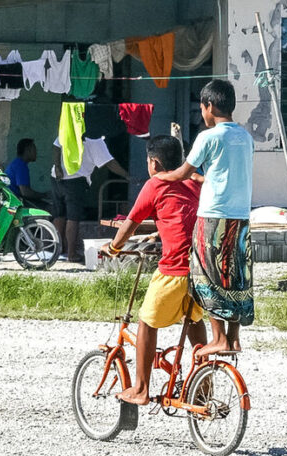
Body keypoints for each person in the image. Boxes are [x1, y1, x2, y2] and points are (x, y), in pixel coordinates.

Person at [103, 135, 207, 406]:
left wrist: (113, 248)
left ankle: (141, 388)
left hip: (174, 269)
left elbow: (130, 223)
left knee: (147, 322)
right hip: (202, 269)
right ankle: (204, 383)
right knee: (193, 320)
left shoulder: (156, 183)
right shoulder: (194, 182)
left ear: (153, 162)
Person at [155, 79, 255, 357]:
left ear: (209, 106)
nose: (202, 113)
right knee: (235, 275)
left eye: (202, 108)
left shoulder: (208, 137)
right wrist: (203, 177)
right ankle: (234, 339)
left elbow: (181, 173)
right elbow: (222, 173)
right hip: (240, 217)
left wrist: (161, 176)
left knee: (206, 275)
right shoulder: (244, 137)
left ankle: (219, 337)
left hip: (212, 217)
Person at [52, 136, 130, 263]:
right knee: (73, 217)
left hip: (56, 177)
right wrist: (127, 176)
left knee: (59, 214)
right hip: (76, 180)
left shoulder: (69, 129)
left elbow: (56, 146)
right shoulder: (96, 142)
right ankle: (71, 254)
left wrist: (57, 166)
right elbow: (109, 163)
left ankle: (56, 251)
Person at [4, 138, 48, 208]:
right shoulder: (20, 166)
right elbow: (26, 193)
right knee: (51, 209)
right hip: (13, 204)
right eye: (34, 149)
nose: (36, 152)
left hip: (11, 200)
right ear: (28, 150)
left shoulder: (17, 163)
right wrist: (45, 195)